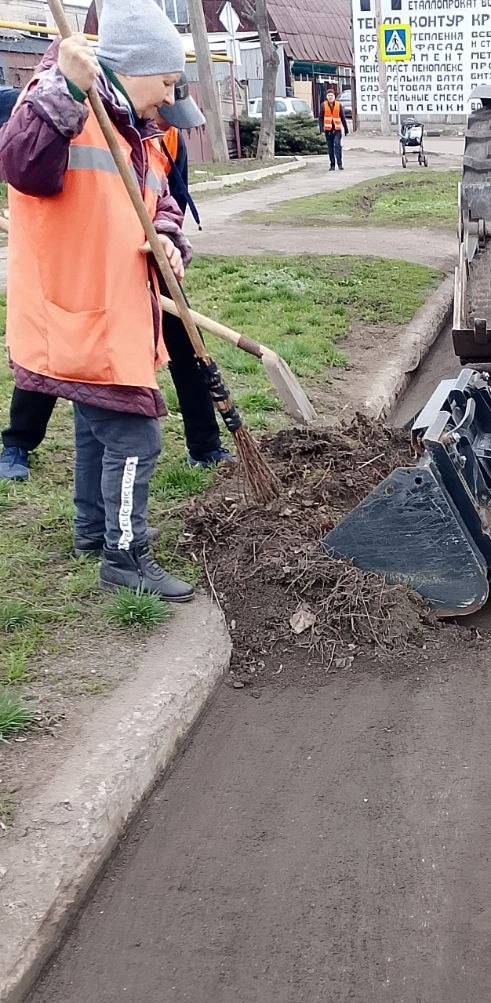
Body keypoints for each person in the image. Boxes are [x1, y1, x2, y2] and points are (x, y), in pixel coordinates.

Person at [0, 0, 196, 601]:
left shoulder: (134, 128)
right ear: (134, 68)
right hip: (77, 310)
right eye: (167, 81)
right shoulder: (63, 100)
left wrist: (167, 237)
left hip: (113, 311)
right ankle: (126, 556)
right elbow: (20, 166)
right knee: (137, 439)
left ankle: (93, 530)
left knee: (96, 430)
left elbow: (158, 199)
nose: (170, 97)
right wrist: (64, 90)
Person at [0, 72, 230, 485]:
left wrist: (166, 237)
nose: (165, 116)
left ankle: (205, 444)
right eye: (163, 104)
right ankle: (18, 442)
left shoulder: (168, 140)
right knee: (57, 349)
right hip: (91, 257)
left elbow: (171, 201)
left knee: (184, 340)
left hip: (149, 256)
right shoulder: (106, 122)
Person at [323, 86, 348, 172]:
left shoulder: (338, 105)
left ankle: (340, 164)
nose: (330, 97)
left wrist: (346, 129)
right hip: (328, 130)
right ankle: (332, 165)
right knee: (330, 148)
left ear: (334, 96)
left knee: (337, 145)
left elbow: (343, 118)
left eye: (332, 95)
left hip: (337, 130)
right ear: (327, 97)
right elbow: (320, 118)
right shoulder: (323, 105)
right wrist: (321, 130)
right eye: (329, 95)